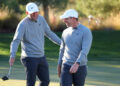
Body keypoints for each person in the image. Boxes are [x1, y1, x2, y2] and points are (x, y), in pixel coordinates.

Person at [9, 2, 61, 86]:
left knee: (45, 81)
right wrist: (12, 55)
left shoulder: (41, 19)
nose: (35, 14)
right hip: (29, 57)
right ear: (27, 13)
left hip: (41, 56)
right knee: (31, 83)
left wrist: (62, 44)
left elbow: (49, 33)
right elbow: (16, 41)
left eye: (36, 12)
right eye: (32, 13)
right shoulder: (22, 25)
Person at [57, 9, 92, 86]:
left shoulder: (86, 31)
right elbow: (62, 49)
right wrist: (59, 65)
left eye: (66, 19)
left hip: (80, 67)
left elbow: (85, 50)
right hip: (66, 65)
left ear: (73, 18)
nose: (64, 20)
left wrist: (77, 63)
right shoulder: (65, 32)